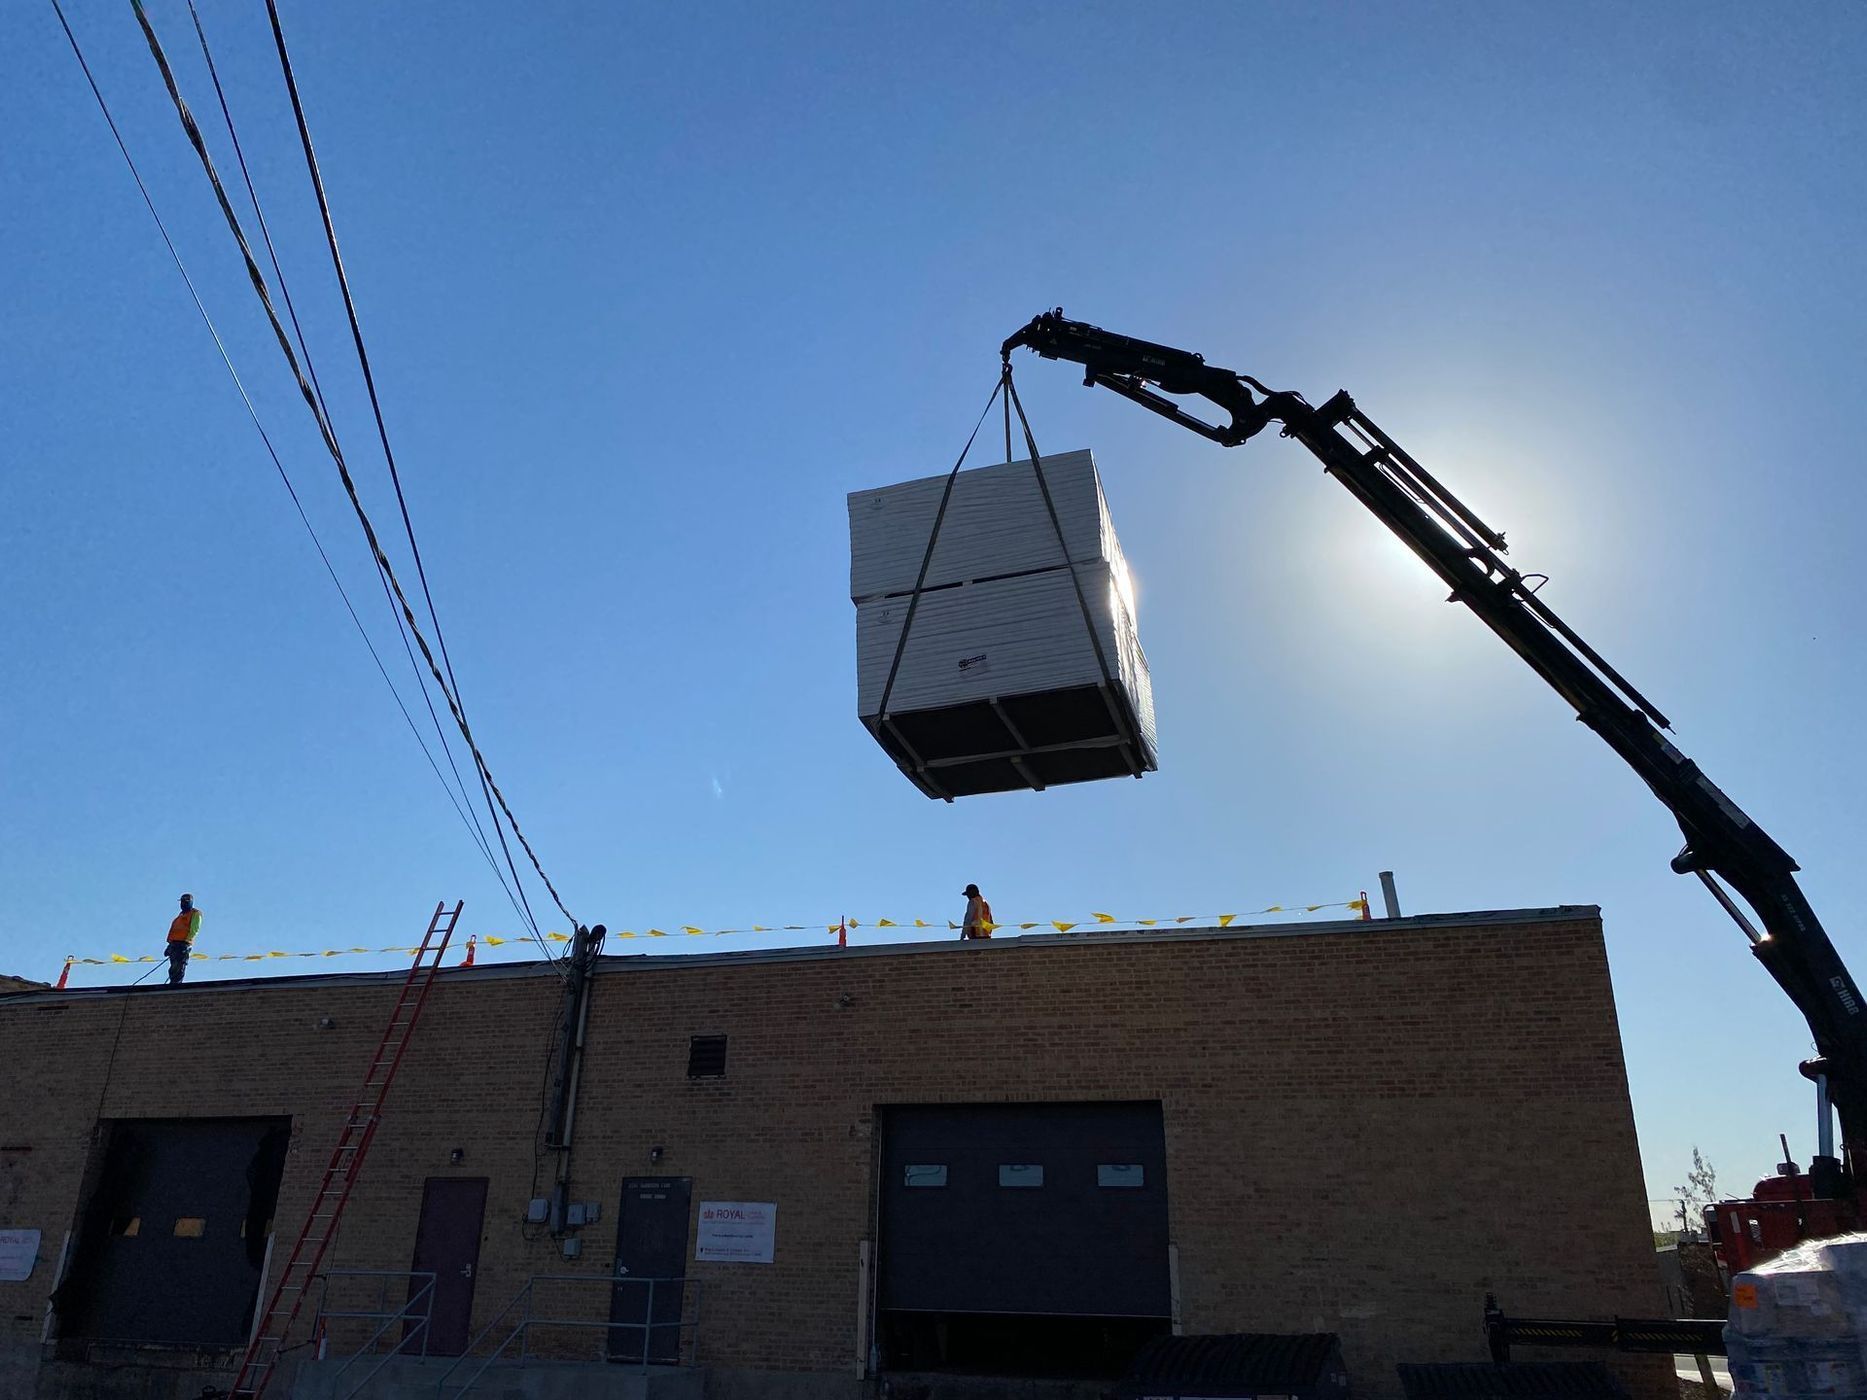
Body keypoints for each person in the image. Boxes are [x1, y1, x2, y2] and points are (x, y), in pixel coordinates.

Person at [164, 893, 201, 986]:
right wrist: (169, 946)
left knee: (179, 965)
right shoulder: (180, 915)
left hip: (183, 944)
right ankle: (173, 983)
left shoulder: (195, 913)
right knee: (173, 966)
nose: (183, 904)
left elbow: (194, 929)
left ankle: (176, 984)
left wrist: (186, 943)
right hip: (174, 944)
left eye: (185, 902)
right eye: (182, 902)